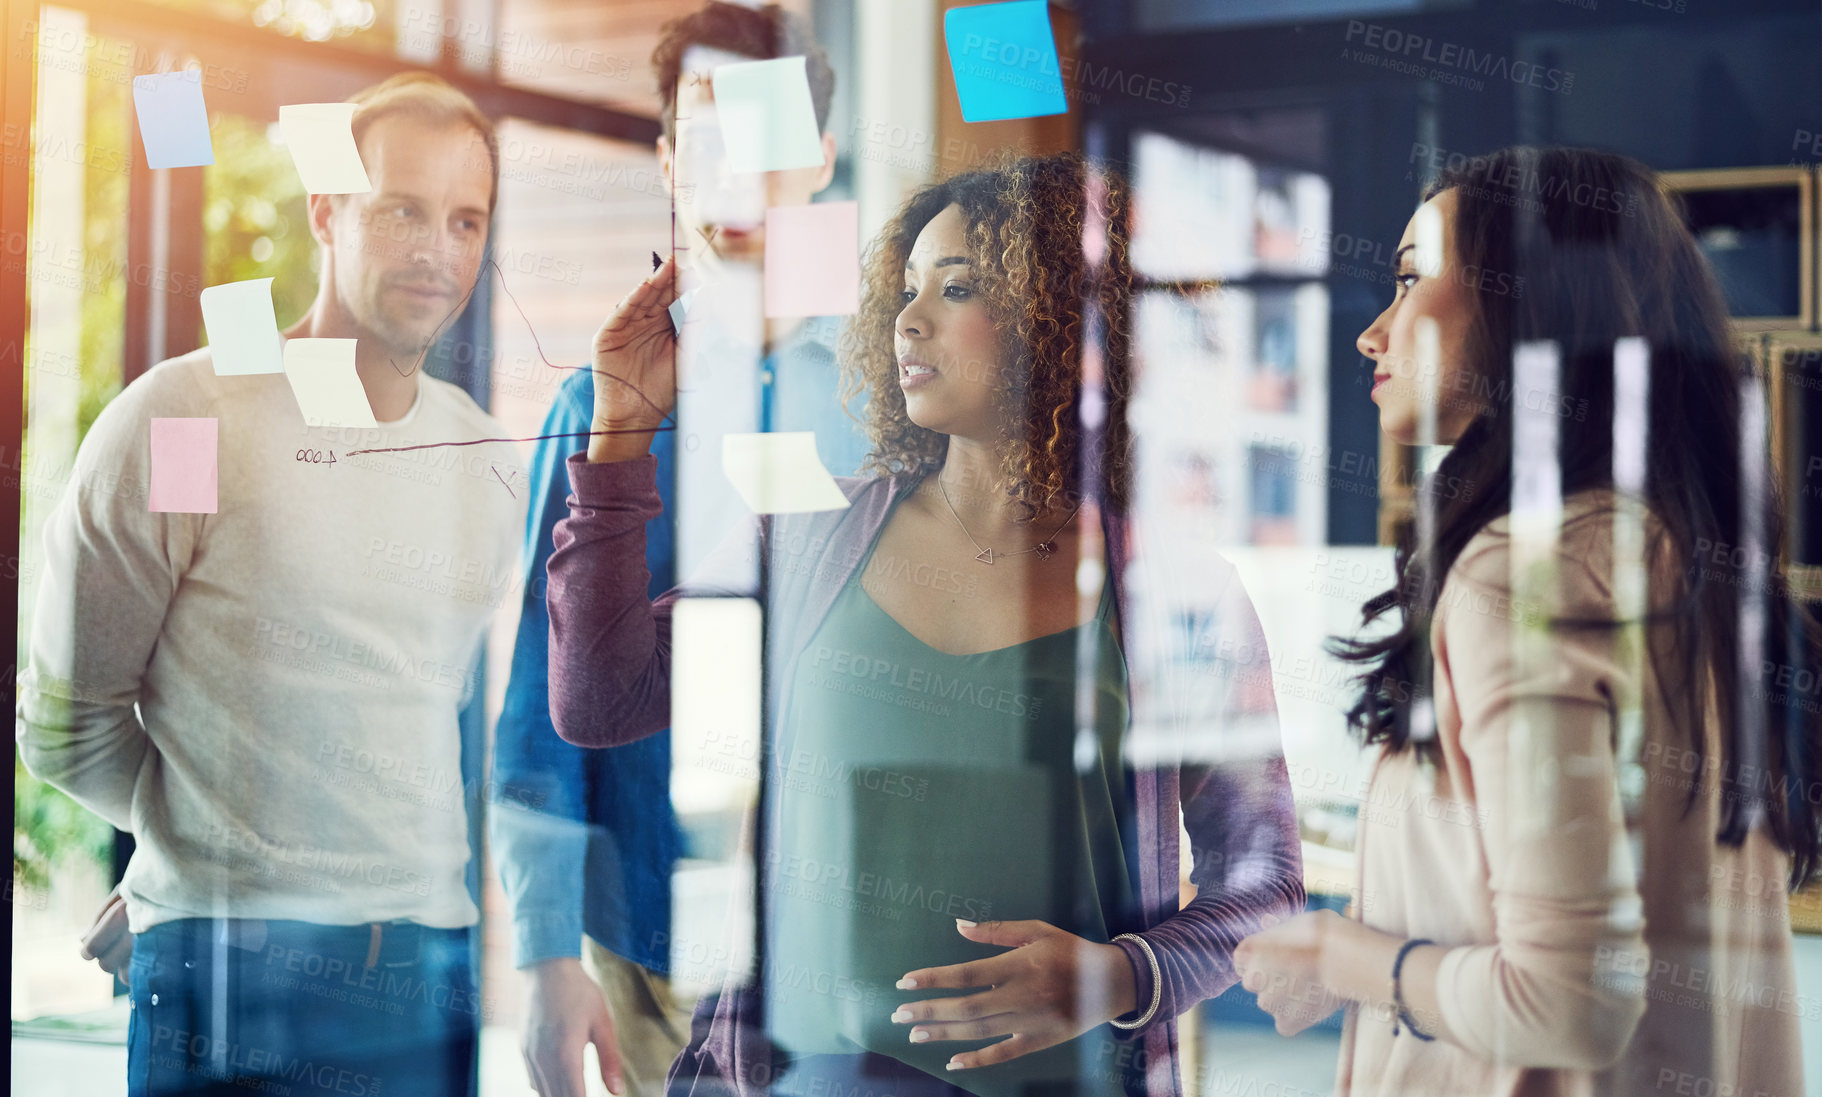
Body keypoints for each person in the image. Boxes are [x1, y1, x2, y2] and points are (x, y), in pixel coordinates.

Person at [546, 152, 1306, 1097]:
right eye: (907, 289)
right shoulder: (810, 535)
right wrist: (620, 428)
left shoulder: (1178, 592)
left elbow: (1266, 883)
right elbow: (601, 699)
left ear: (1060, 316)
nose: (910, 319)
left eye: (957, 288)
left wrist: (1122, 975)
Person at [1232, 146, 1822, 1096]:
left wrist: (1340, 957)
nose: (1372, 334)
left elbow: (1572, 997)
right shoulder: (1676, 558)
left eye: (1414, 279)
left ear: (1533, 305)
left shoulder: (1526, 577)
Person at [17, 73, 524, 1097]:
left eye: (465, 219)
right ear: (325, 212)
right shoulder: (192, 420)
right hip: (223, 977)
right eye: (402, 209)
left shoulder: (484, 455)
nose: (438, 249)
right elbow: (67, 719)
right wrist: (202, 859)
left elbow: (437, 720)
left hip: (426, 971)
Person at [490, 5, 868, 1097]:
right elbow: (537, 698)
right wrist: (550, 956)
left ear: (818, 162)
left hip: (844, 949)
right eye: (708, 131)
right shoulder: (596, 403)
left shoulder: (885, 397)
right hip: (650, 944)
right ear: (666, 157)